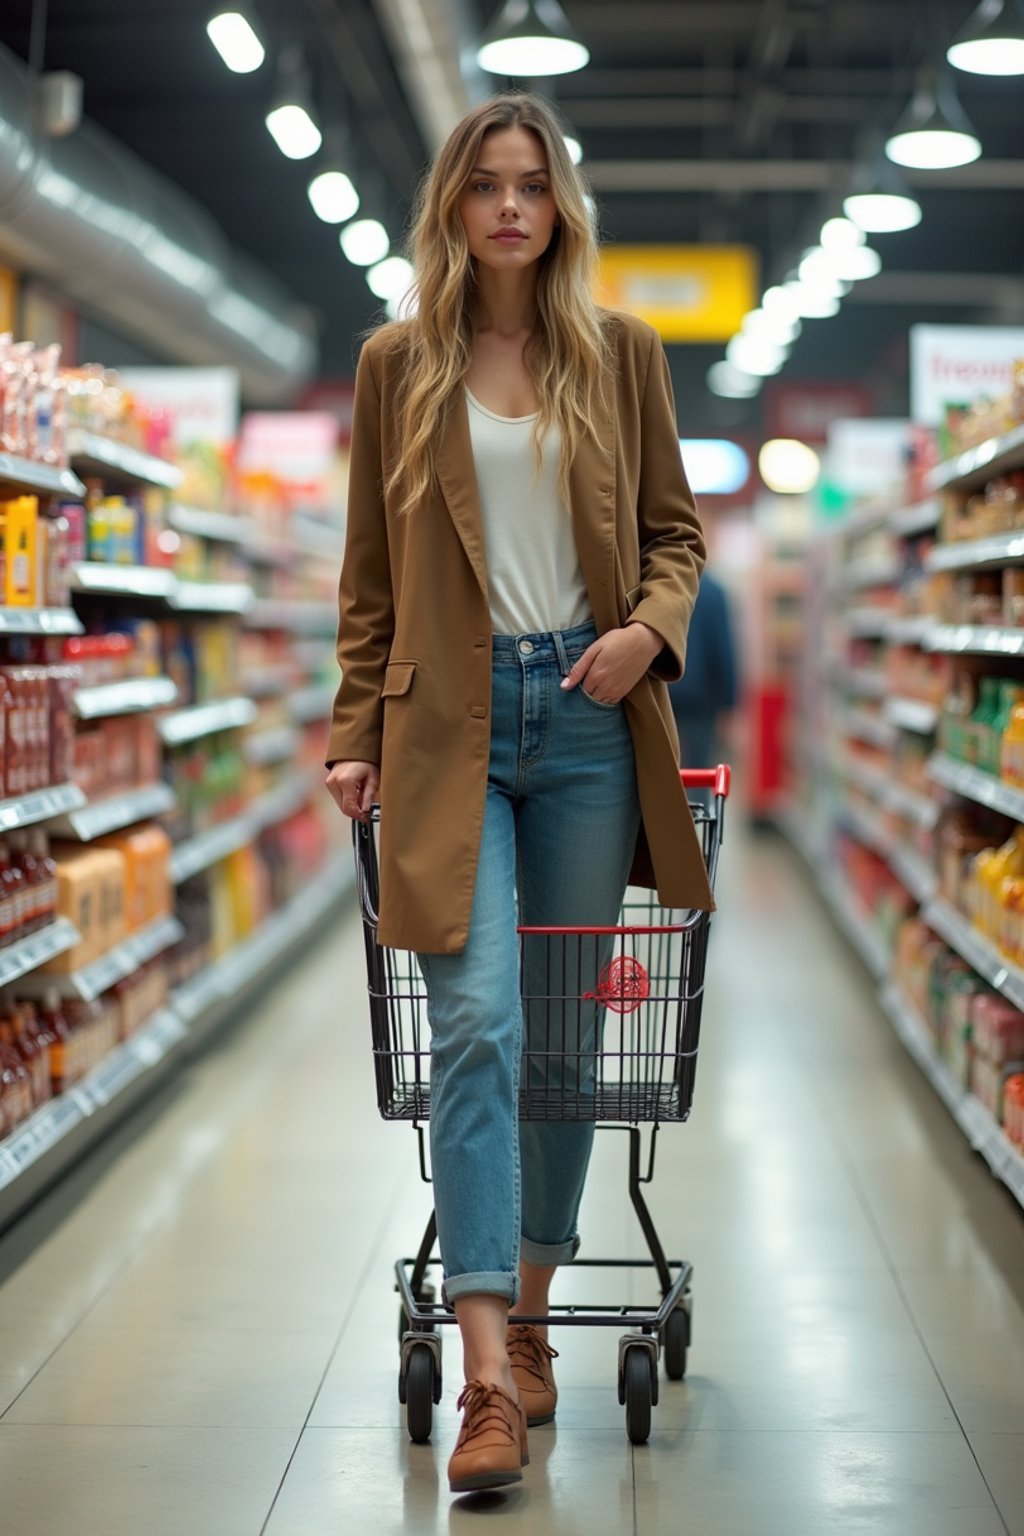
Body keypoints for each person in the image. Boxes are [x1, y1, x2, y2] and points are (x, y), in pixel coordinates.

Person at [325, 91, 710, 1495]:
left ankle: (538, 1319)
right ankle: (487, 1376)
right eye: (484, 184)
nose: (507, 207)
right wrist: (348, 727)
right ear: (451, 203)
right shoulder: (395, 365)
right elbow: (369, 574)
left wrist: (646, 633)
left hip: (595, 716)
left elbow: (675, 531)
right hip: (447, 728)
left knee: (559, 1039)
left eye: (530, 187)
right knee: (474, 1020)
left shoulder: (620, 356)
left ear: (559, 208)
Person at [667, 568, 739, 780]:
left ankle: (666, 811)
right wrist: (729, 703)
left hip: (663, 695)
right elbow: (723, 648)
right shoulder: (713, 591)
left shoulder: (660, 587)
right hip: (702, 702)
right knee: (699, 771)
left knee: (662, 768)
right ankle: (695, 812)